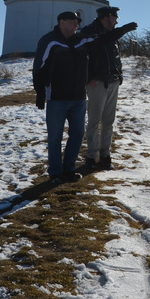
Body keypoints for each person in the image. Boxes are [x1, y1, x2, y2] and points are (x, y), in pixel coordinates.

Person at [32, 10, 135, 184]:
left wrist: (121, 31)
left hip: (78, 97)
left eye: (77, 23)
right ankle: (56, 173)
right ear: (61, 21)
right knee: (55, 136)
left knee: (77, 135)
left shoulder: (80, 40)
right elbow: (38, 68)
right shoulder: (49, 41)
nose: (76, 25)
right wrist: (40, 93)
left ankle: (69, 170)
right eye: (72, 22)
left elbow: (101, 40)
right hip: (57, 97)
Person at [80, 5, 137, 171]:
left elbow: (114, 56)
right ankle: (91, 156)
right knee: (94, 121)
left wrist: (119, 76)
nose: (117, 21)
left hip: (112, 82)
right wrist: (89, 78)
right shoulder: (90, 32)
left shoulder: (111, 33)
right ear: (105, 17)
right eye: (114, 17)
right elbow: (85, 56)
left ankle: (105, 155)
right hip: (97, 83)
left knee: (109, 122)